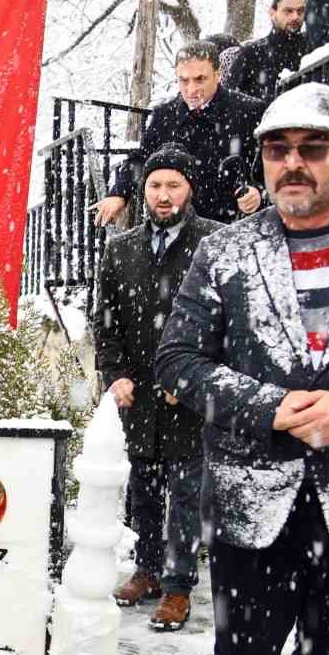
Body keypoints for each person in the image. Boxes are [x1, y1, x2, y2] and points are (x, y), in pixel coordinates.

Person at [155, 82, 329, 655]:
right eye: (279, 149)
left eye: (313, 147)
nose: (293, 164)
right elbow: (178, 359)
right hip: (248, 493)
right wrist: (269, 406)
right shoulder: (225, 251)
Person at [95, 145, 222, 629]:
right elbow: (106, 323)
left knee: (187, 494)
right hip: (139, 394)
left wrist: (191, 377)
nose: (164, 195)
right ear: (142, 191)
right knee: (144, 490)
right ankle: (147, 570)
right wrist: (115, 375)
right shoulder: (120, 248)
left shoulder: (214, 243)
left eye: (173, 185)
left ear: (189, 188)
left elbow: (226, 325)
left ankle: (177, 586)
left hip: (189, 396)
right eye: (155, 186)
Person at [95, 42, 266, 227]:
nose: (191, 89)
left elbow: (267, 167)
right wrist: (118, 194)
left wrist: (257, 192)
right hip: (176, 227)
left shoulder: (249, 112)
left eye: (200, 79)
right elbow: (140, 159)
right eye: (184, 80)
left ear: (218, 75)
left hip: (229, 227)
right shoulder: (164, 115)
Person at [223, 0, 308, 103]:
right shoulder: (251, 53)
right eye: (288, 11)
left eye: (300, 11)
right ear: (272, 13)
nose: (295, 17)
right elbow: (230, 99)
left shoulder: (314, 49)